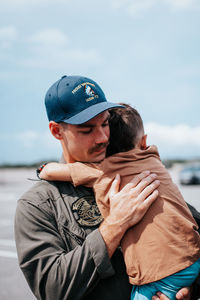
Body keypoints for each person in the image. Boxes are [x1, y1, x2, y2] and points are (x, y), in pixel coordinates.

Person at [14, 75, 197, 300]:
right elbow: (53, 288)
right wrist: (116, 224)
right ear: (56, 131)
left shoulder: (135, 175)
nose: (102, 138)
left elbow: (190, 235)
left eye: (105, 123)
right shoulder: (38, 204)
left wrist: (188, 290)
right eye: (87, 130)